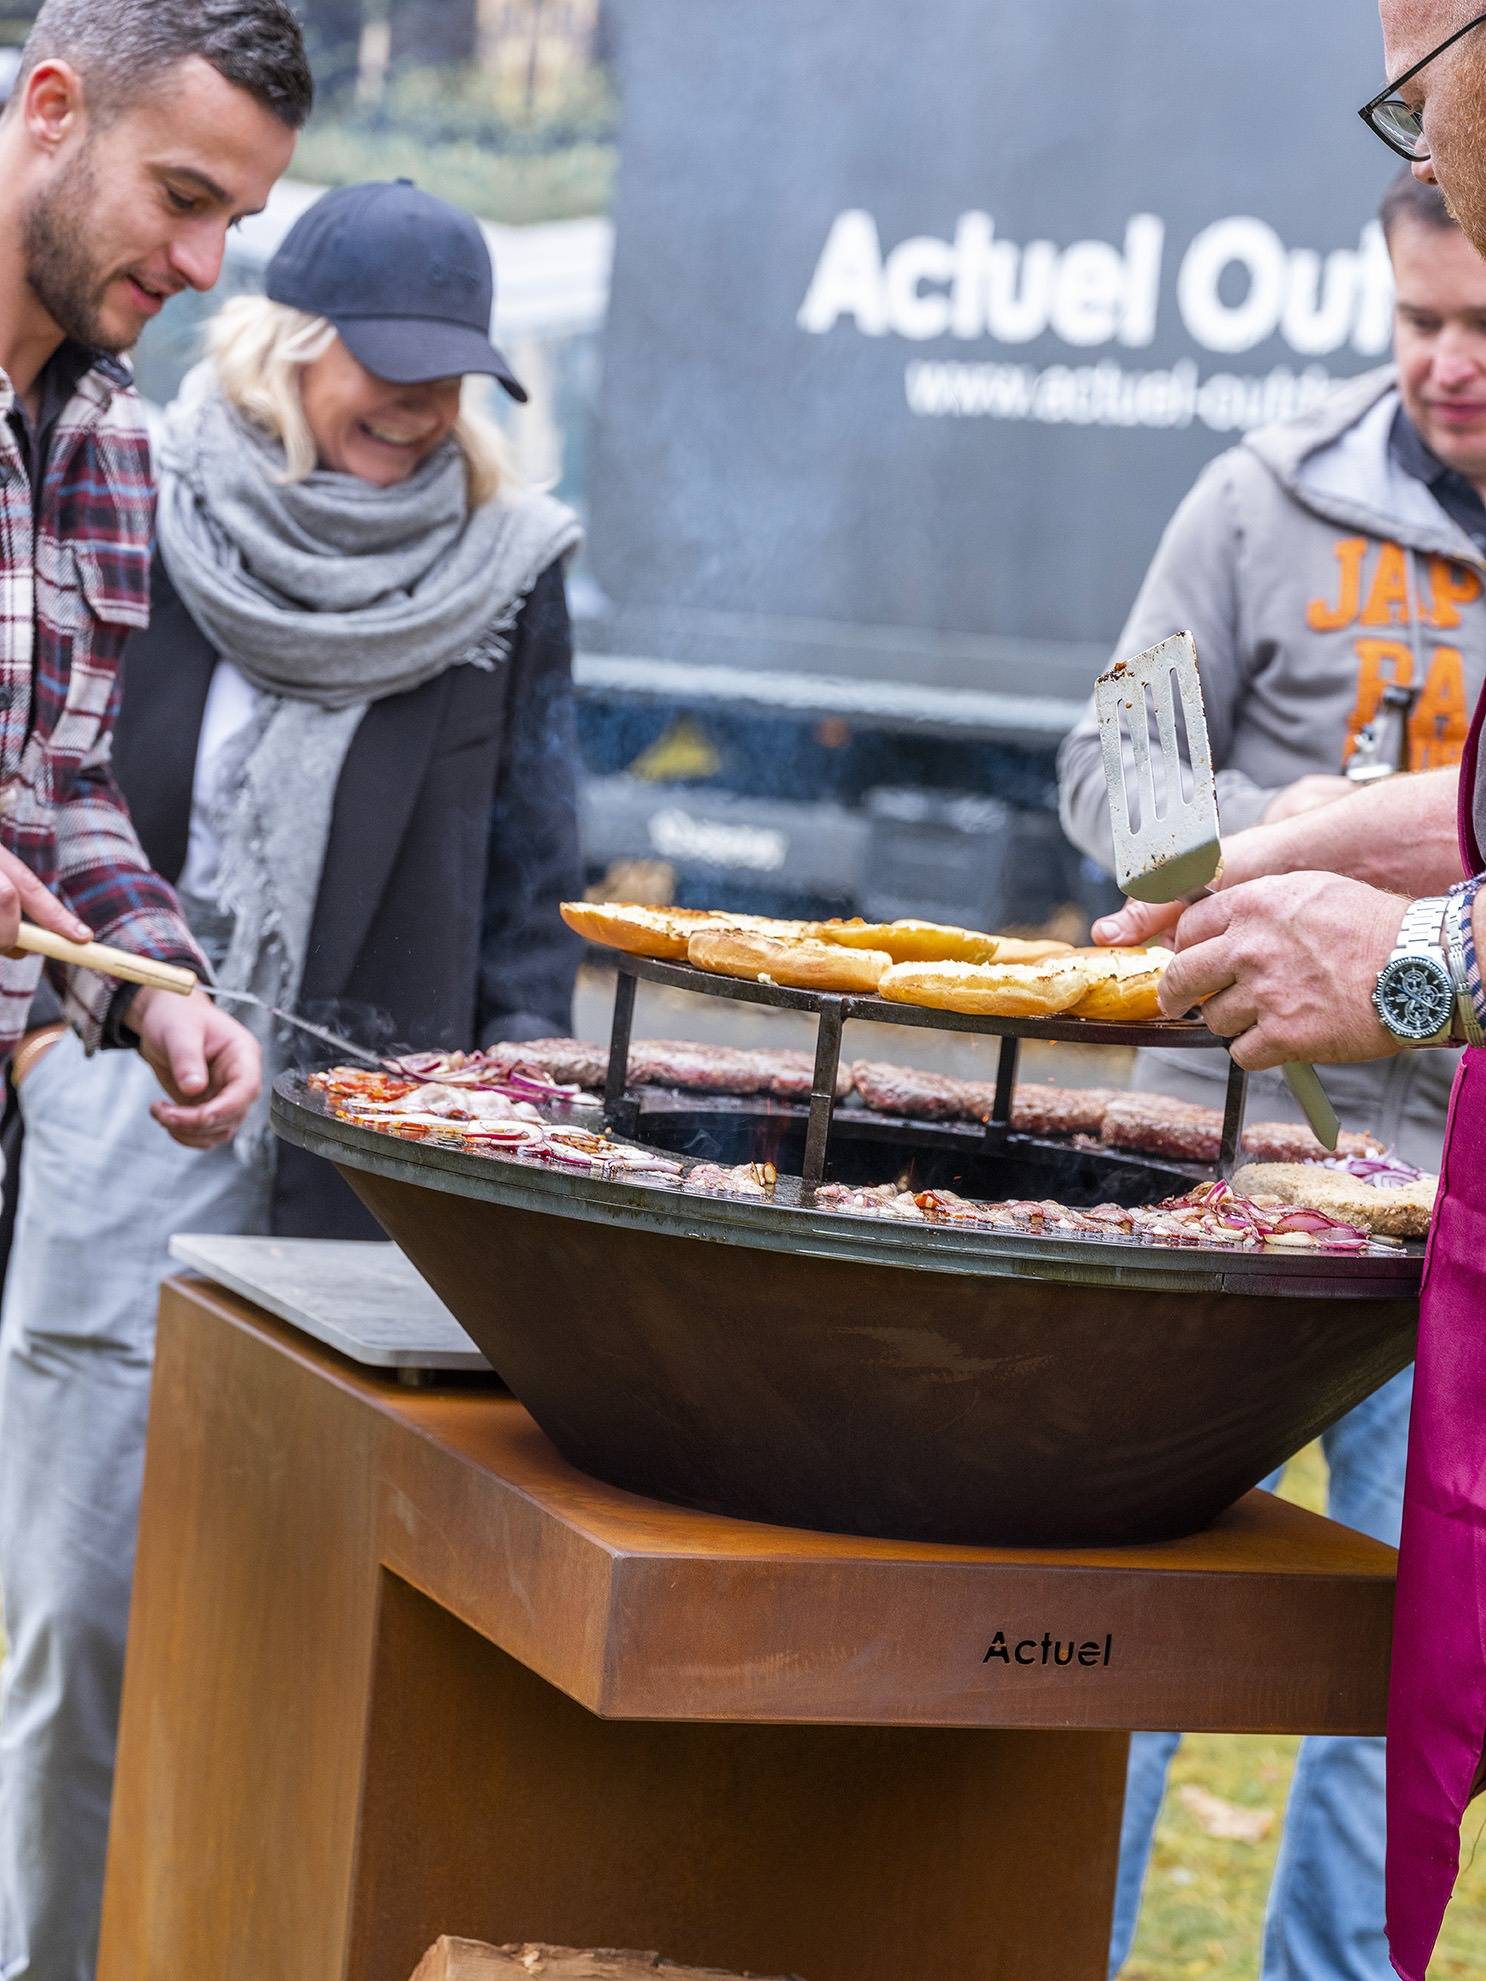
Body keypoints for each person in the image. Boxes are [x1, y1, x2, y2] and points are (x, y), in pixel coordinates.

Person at [0, 179, 585, 1978]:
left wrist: (517, 1118)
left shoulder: (509, 576)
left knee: (310, 1632)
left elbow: (523, 890)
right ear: (289, 345)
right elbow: (66, 785)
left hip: (356, 1152)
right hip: (126, 1113)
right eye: (384, 371)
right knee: (80, 1617)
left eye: (449, 378)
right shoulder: (146, 500)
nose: (418, 409)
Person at [1085, 7, 1486, 1971]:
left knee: (1400, 1653)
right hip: (1232, 1186)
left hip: (1458, 1213)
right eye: (1417, 319)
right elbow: (1119, 770)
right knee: (1135, 1625)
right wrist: (1238, 859)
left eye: (1480, 319)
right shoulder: (1258, 498)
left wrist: (1387, 944)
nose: (1448, 361)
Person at [0, 0, 313, 1153]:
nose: (204, 265)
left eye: (234, 219)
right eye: (183, 199)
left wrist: (154, 984)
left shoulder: (119, 437)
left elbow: (63, 787)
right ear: (52, 110)